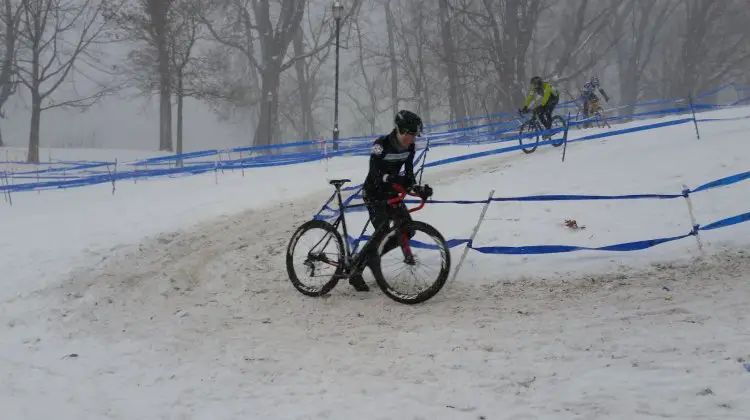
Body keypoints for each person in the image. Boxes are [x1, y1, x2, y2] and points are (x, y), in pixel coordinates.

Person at [349, 110, 433, 292]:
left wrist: (418, 190)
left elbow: (409, 178)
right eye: (410, 134)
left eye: (415, 135)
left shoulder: (410, 148)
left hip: (391, 193)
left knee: (407, 231)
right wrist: (392, 179)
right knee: (382, 232)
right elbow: (374, 172)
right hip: (374, 193)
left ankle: (373, 256)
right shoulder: (380, 145)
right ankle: (357, 268)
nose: (413, 139)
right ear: (400, 130)